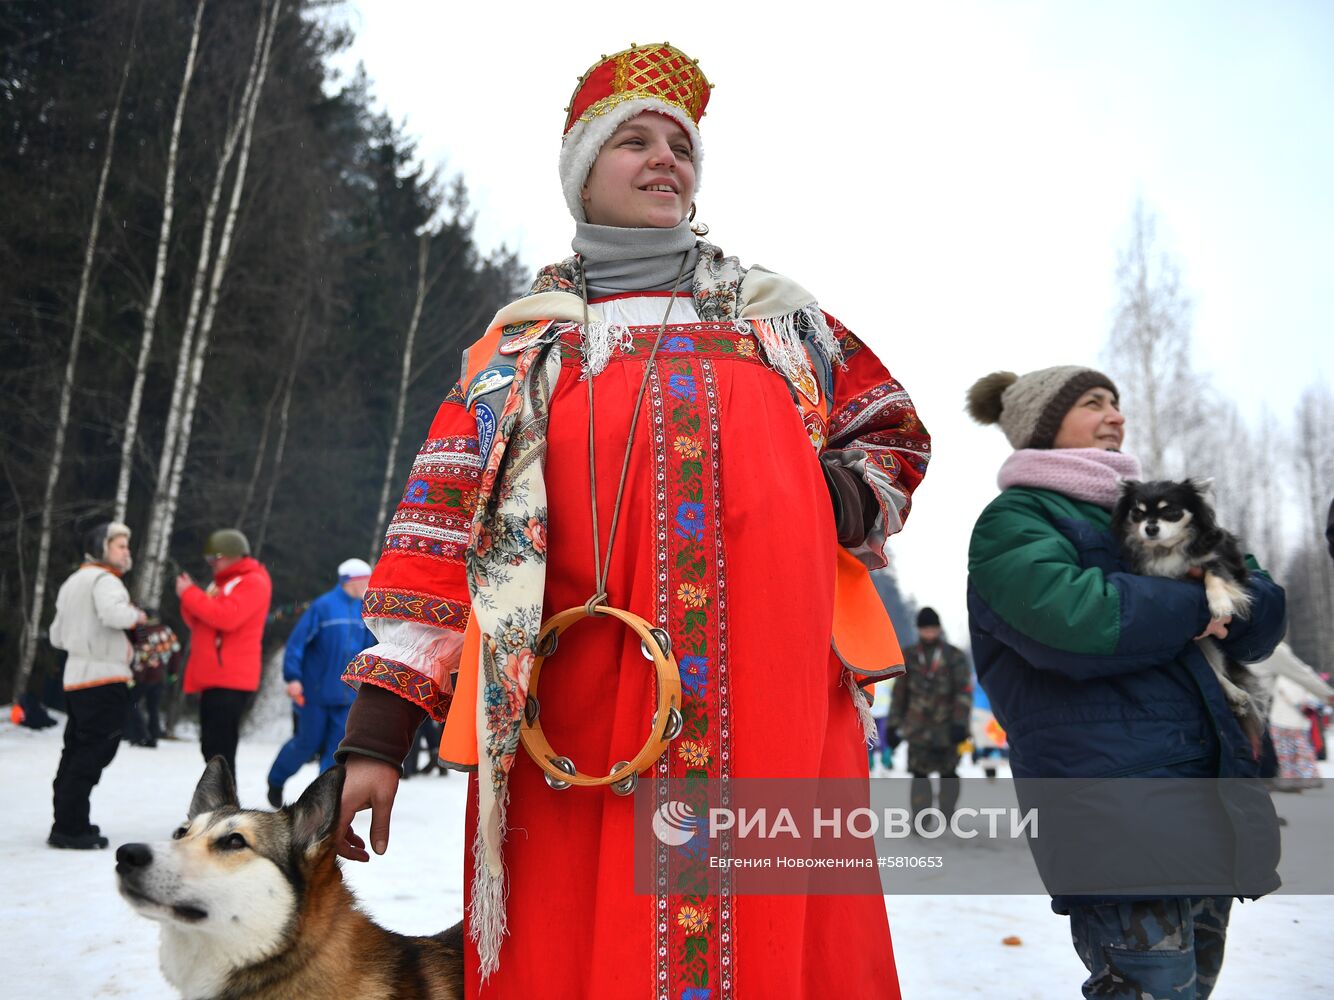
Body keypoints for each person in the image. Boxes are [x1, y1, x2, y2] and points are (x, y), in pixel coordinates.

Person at [335, 43, 930, 997]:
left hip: (768, 709)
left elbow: (892, 435)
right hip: (566, 717)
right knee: (575, 944)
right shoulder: (517, 348)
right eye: (635, 142)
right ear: (582, 174)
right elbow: (440, 532)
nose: (666, 160)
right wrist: (378, 733)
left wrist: (820, 499)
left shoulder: (782, 321)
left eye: (682, 147)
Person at [965, 365, 1286, 999]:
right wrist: (1201, 606)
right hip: (1114, 811)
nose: (1116, 414)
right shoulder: (1015, 520)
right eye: (1093, 402)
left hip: (1205, 800)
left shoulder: (1158, 508)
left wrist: (1229, 606)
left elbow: (1264, 605)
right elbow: (1074, 618)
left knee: (1190, 989)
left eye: (1117, 402)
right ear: (1043, 424)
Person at [47, 521, 147, 849]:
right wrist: (139, 616)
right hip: (104, 677)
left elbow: (56, 636)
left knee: (75, 749)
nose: (126, 551)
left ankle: (67, 818)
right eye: (120, 545)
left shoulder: (73, 581)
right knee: (95, 749)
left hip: (76, 678)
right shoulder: (106, 580)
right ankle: (71, 828)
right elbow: (113, 615)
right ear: (102, 547)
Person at [265, 558, 374, 806]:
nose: (368, 585)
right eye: (365, 580)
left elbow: (370, 649)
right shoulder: (323, 607)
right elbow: (296, 645)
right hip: (315, 693)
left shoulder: (364, 611)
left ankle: (323, 802)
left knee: (336, 752)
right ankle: (276, 779)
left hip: (347, 695)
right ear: (351, 581)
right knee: (306, 744)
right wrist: (293, 678)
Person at [176, 528, 272, 778]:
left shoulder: (253, 582)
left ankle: (226, 807)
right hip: (215, 676)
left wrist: (189, 594)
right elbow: (199, 620)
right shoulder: (221, 584)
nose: (211, 564)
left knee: (220, 749)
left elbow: (225, 617)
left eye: (214, 558)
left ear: (232, 555)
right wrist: (192, 599)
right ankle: (223, 804)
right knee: (212, 747)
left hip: (231, 678)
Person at [887, 606, 972, 824]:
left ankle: (947, 811)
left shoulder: (954, 656)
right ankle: (921, 817)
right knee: (919, 773)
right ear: (919, 630)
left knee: (949, 772)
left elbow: (963, 690)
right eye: (925, 629)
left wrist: (960, 723)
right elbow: (899, 693)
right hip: (917, 727)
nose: (929, 633)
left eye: (933, 629)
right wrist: (893, 724)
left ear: (939, 629)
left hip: (947, 725)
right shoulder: (909, 656)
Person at [1259, 642, 1334, 792]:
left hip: (1282, 720)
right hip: (1287, 720)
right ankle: (1302, 777)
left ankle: (1290, 778)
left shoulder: (1280, 672)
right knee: (1297, 750)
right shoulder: (1282, 667)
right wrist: (1327, 697)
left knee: (1287, 751)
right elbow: (1303, 682)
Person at [123, 609, 181, 748]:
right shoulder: (165, 631)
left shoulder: (142, 630)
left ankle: (140, 734)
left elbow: (143, 655)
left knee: (132, 703)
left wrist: (134, 677)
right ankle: (153, 735)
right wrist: (173, 672)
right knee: (152, 707)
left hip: (142, 676)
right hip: (160, 676)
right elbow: (176, 651)